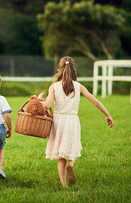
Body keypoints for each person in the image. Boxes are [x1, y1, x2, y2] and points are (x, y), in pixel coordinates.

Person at [38, 56, 114, 188]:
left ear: (58, 70)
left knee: (61, 156)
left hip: (58, 122)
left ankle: (64, 185)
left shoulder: (54, 87)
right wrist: (107, 114)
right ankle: (71, 165)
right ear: (74, 70)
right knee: (73, 148)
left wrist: (39, 99)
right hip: (72, 120)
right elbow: (95, 101)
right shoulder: (79, 87)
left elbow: (47, 104)